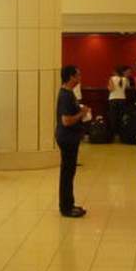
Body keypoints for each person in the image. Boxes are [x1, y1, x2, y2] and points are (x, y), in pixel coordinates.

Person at [54, 65, 88, 218]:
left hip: (71, 137)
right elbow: (66, 121)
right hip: (67, 138)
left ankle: (69, 204)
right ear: (70, 77)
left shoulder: (69, 93)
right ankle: (66, 208)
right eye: (78, 75)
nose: (80, 78)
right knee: (67, 173)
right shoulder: (65, 96)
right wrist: (82, 113)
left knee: (70, 172)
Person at [107, 65, 129, 134]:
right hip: (122, 99)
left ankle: (114, 133)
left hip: (113, 99)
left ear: (115, 72)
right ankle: (121, 133)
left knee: (113, 117)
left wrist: (108, 87)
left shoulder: (112, 78)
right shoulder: (125, 79)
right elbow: (127, 87)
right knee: (121, 117)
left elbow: (111, 89)